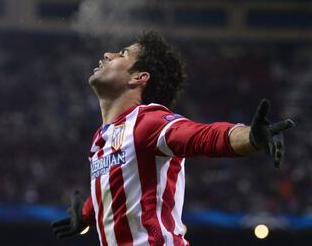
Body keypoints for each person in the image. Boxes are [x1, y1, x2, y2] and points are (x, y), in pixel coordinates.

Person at [51, 31, 295, 245]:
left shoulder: (148, 121)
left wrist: (250, 136)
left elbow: (202, 136)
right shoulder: (101, 138)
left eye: (122, 54)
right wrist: (85, 214)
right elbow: (115, 184)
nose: (107, 54)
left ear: (138, 78)